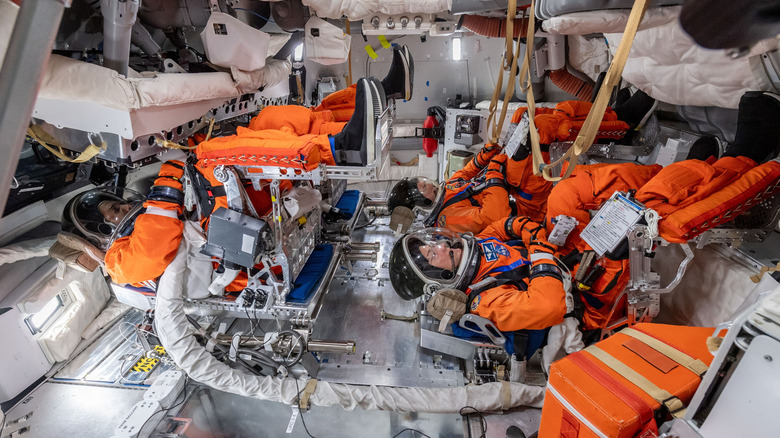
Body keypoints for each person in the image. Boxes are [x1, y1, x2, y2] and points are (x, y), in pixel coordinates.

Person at [388, 216, 567, 333]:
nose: (442, 245)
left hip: (554, 253)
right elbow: (548, 306)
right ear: (438, 277)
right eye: (433, 254)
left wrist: (534, 236)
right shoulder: (485, 300)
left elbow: (504, 226)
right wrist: (540, 251)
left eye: (433, 245)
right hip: (574, 286)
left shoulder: (477, 244)